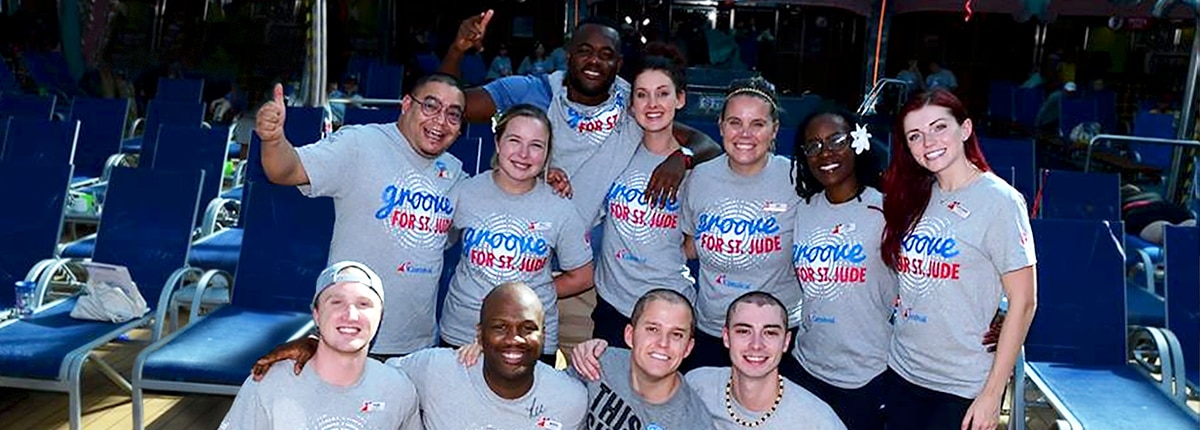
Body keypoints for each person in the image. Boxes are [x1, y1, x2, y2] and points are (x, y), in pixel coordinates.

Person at [255, 73, 466, 360]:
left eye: (453, 115)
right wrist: (273, 139)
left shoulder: (454, 173)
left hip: (419, 345)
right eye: (430, 106)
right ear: (406, 104)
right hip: (351, 338)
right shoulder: (360, 144)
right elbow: (286, 170)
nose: (441, 121)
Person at [441, 10, 720, 228]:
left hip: (586, 264)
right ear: (569, 54)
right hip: (521, 241)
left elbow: (703, 143)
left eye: (606, 54)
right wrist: (457, 50)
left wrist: (681, 158)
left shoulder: (632, 103)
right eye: (585, 51)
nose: (594, 61)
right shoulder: (534, 91)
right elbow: (451, 105)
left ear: (618, 64)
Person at [881, 88, 1037, 430]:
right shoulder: (912, 195)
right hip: (903, 371)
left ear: (965, 129)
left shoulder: (1000, 201)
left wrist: (992, 394)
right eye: (915, 136)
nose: (928, 142)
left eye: (939, 127)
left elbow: (1024, 302)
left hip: (961, 385)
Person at [252, 282, 590, 429]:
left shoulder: (569, 398)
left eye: (527, 328)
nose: (514, 339)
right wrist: (318, 347)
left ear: (545, 336)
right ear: (479, 335)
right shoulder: (438, 369)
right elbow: (368, 371)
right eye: (499, 327)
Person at [440, 104, 594, 363]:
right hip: (463, 332)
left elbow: (583, 276)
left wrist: (526, 295)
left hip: (528, 340)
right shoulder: (464, 192)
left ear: (546, 154)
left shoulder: (560, 208)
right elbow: (435, 243)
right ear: (498, 143)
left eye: (536, 145)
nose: (524, 154)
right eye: (514, 141)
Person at [680, 77, 802, 370]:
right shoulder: (699, 178)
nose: (745, 134)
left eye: (757, 124)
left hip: (775, 337)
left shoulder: (798, 179)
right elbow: (688, 246)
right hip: (713, 331)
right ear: (721, 126)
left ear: (774, 130)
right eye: (735, 122)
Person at [785, 105, 892, 430]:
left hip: (869, 377)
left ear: (857, 143)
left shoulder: (888, 211)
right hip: (807, 367)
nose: (825, 153)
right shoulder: (803, 210)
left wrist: (994, 308)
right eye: (813, 146)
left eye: (836, 141)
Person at [220, 262, 421, 430]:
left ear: (380, 317)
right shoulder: (269, 383)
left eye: (364, 304)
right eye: (336, 303)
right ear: (316, 314)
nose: (351, 315)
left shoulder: (398, 389)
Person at [591, 43, 696, 347]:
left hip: (668, 309)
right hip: (613, 304)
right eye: (642, 94)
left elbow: (696, 243)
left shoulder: (696, 168)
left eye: (663, 93)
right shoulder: (615, 152)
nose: (652, 103)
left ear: (680, 99)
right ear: (631, 103)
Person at [531, 289, 719, 429]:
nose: (663, 343)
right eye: (652, 329)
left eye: (676, 334)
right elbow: (547, 399)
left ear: (688, 348)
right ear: (630, 335)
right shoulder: (600, 362)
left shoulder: (693, 422)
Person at [686, 292, 845, 430]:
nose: (756, 345)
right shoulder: (698, 386)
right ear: (726, 337)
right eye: (744, 331)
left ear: (786, 342)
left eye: (770, 333)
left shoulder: (817, 421)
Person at [1121, 184, 1196, 245]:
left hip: (1139, 211)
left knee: (1166, 232)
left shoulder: (1119, 200)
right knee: (1190, 224)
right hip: (1162, 205)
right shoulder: (1150, 193)